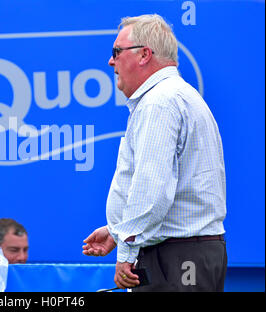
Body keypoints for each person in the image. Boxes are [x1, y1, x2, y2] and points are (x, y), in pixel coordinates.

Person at [82, 14, 227, 291]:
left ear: (144, 54)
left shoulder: (159, 102)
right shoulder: (173, 96)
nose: (110, 61)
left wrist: (126, 250)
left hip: (178, 257)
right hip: (185, 254)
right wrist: (118, 232)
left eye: (116, 52)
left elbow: (152, 191)